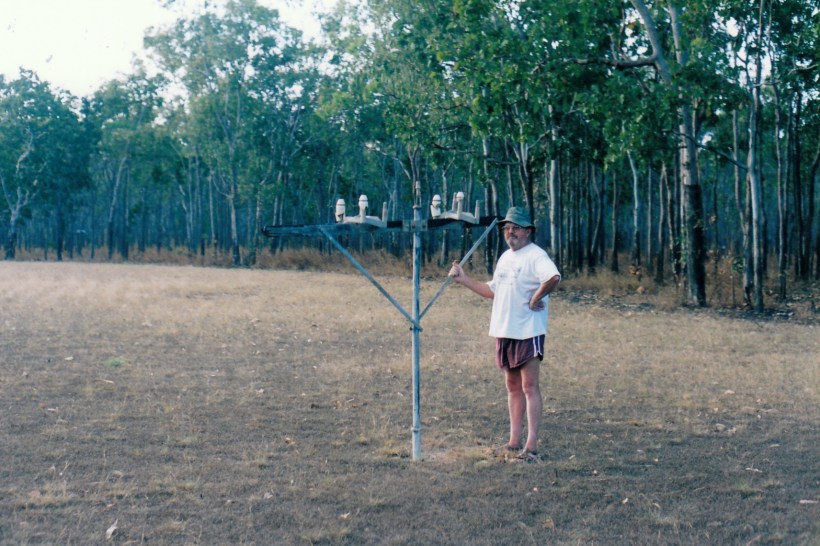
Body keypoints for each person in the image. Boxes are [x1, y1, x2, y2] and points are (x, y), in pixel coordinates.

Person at [448, 206, 561, 463]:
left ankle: (531, 446)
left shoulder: (536, 255)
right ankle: (513, 442)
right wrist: (464, 279)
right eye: (507, 228)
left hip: (528, 330)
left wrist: (536, 298)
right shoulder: (505, 258)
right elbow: (493, 291)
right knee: (512, 386)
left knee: (529, 386)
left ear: (528, 231)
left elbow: (553, 277)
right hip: (505, 330)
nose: (510, 232)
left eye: (516, 228)